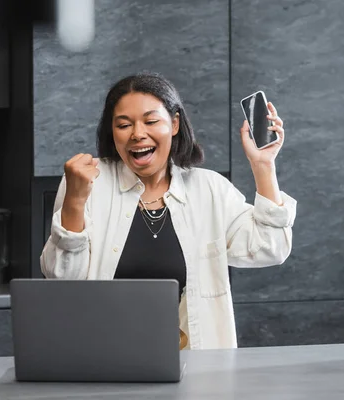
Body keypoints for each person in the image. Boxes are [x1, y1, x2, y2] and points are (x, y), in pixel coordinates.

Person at [40, 73, 297, 350]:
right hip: (102, 358)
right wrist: (76, 200)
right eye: (124, 125)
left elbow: (271, 249)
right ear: (112, 132)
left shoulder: (209, 189)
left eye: (151, 121)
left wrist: (263, 165)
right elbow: (62, 281)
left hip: (193, 364)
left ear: (174, 123)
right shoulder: (87, 183)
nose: (138, 134)